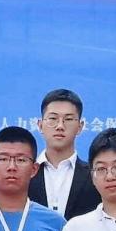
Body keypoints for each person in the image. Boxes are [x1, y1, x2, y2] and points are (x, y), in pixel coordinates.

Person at [28, 88, 100, 219]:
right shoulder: (25, 173)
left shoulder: (95, 174)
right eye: (53, 118)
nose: (60, 126)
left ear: (80, 127)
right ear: (40, 125)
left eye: (68, 119)